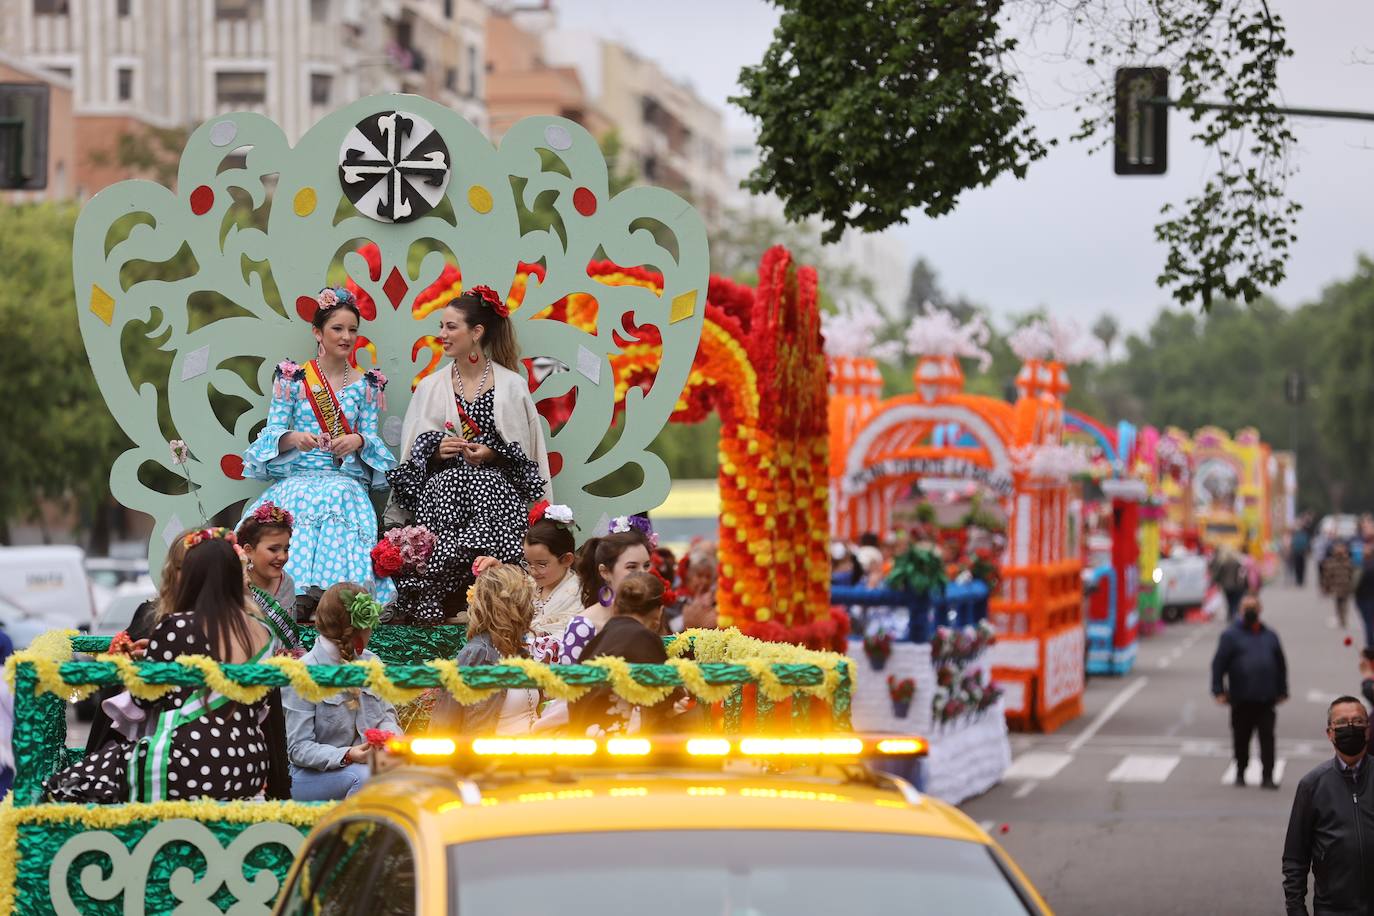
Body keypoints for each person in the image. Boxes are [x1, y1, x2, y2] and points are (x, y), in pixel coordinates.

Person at [45, 531, 274, 803]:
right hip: (251, 765)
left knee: (63, 786)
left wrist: (136, 663)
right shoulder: (263, 632)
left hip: (186, 761)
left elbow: (143, 699)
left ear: (191, 576)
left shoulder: (178, 626)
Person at [385, 286, 550, 624]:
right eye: (441, 327)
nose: (442, 335)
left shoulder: (511, 385)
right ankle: (446, 604)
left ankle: (491, 603)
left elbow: (525, 452)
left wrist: (493, 452)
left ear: (477, 332)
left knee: (492, 527)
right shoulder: (431, 385)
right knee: (442, 540)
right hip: (443, 494)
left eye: (450, 327)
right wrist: (435, 449)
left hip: (495, 493)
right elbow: (412, 451)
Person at [241, 287, 396, 599]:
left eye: (352, 330)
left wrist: (358, 440)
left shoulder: (366, 384)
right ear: (317, 332)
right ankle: (291, 592)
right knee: (296, 502)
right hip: (298, 478)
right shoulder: (293, 379)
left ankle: (336, 595)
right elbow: (272, 432)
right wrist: (294, 438)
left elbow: (372, 438)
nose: (346, 337)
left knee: (340, 495)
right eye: (337, 329)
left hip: (343, 479)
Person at [282, 584, 398, 801]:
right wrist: (347, 755)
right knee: (366, 777)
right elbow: (298, 749)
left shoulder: (372, 662)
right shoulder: (303, 673)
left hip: (369, 765)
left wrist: (389, 738)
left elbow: (387, 715)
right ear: (359, 627)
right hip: (312, 775)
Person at [1282, 696, 1374, 916]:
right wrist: (1296, 909)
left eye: (1358, 721)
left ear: (1368, 730)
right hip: (1333, 909)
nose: (1350, 727)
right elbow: (1295, 857)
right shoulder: (1312, 785)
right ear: (1330, 733)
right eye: (1342, 723)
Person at [429, 564, 540, 736]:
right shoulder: (477, 654)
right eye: (527, 600)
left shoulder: (518, 651)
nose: (532, 606)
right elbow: (443, 726)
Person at [569, 571, 674, 737]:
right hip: (620, 740)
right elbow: (666, 698)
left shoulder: (601, 638)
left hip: (583, 735)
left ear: (616, 606)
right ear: (659, 612)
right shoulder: (645, 638)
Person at [1211, 594, 1288, 788]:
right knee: (1241, 738)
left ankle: (1268, 776)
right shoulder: (1230, 636)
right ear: (1240, 610)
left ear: (1260, 609)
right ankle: (1240, 771)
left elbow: (1280, 664)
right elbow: (1219, 664)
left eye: (1254, 606)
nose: (1250, 610)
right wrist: (1218, 690)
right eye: (1247, 607)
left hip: (1266, 698)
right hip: (1241, 698)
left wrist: (1282, 689)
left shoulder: (1270, 635)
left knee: (1267, 739)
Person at [560, 523, 654, 664]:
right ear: (605, 572)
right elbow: (567, 682)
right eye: (632, 567)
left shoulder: (651, 616)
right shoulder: (583, 626)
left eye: (646, 565)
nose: (643, 573)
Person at [236, 502, 303, 652]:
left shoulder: (286, 583)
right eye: (273, 549)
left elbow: (289, 640)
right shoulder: (235, 582)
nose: (282, 557)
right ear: (249, 550)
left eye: (286, 549)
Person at [523, 502, 582, 639]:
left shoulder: (578, 595)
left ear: (567, 559)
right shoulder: (530, 584)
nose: (533, 571)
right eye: (528, 563)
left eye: (541, 564)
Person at [1320, 540, 1357, 632]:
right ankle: (1340, 618)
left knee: (1344, 603)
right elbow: (1326, 575)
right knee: (1338, 603)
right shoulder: (1330, 562)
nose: (1339, 550)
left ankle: (1343, 619)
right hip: (1336, 586)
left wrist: (1354, 586)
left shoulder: (1348, 561)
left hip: (1346, 586)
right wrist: (1325, 586)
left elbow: (1353, 574)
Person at [1209, 544, 1250, 622]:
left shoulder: (1223, 563)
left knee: (1229, 601)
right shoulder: (1237, 563)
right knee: (1236, 602)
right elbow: (1243, 574)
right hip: (1237, 586)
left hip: (1226, 586)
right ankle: (1234, 615)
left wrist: (1213, 582)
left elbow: (1218, 575)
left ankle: (1231, 615)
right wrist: (1246, 585)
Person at [1291, 523, 1311, 588]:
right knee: (1298, 567)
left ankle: (1300, 580)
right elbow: (1293, 544)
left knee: (1300, 567)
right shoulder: (1297, 535)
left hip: (1300, 553)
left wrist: (1307, 551)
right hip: (1298, 553)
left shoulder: (1302, 535)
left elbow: (1307, 544)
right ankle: (1299, 580)